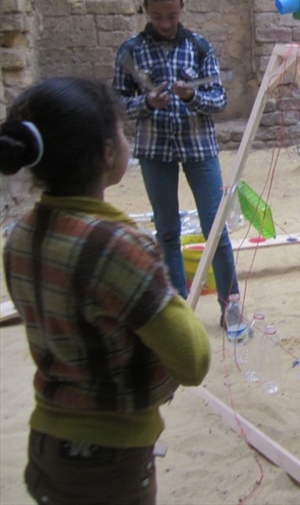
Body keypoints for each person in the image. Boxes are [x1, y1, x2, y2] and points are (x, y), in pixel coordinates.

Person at [1, 77, 211, 505]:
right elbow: (193, 361)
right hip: (108, 462)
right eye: (121, 129)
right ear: (107, 152)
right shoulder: (116, 247)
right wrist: (154, 273)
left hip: (47, 447)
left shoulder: (20, 237)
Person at [113, 0, 239, 314]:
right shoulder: (131, 51)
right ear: (146, 11)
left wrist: (192, 95)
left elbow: (219, 101)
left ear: (182, 8)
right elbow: (117, 104)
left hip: (199, 148)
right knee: (166, 231)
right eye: (157, 17)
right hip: (155, 151)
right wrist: (147, 103)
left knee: (216, 229)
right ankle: (178, 310)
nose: (166, 23)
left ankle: (232, 307)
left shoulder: (199, 46)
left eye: (172, 15)